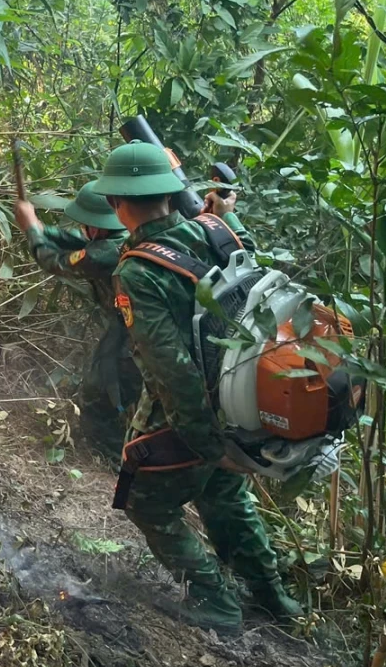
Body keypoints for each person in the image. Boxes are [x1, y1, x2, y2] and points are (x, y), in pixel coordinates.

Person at [91, 142, 302, 633]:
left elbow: (172, 370)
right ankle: (275, 600)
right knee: (225, 496)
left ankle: (214, 601)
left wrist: (208, 445)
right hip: (244, 398)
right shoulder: (216, 228)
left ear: (119, 203)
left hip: (197, 411)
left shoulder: (138, 270)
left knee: (146, 499)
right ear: (169, 193)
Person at [14, 184, 143, 461]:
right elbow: (74, 239)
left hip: (135, 337)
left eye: (86, 225)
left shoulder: (104, 253)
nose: (83, 229)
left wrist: (30, 229)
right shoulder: (125, 236)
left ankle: (115, 461)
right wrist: (40, 226)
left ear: (95, 227)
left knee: (100, 396)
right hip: (132, 331)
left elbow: (54, 261)